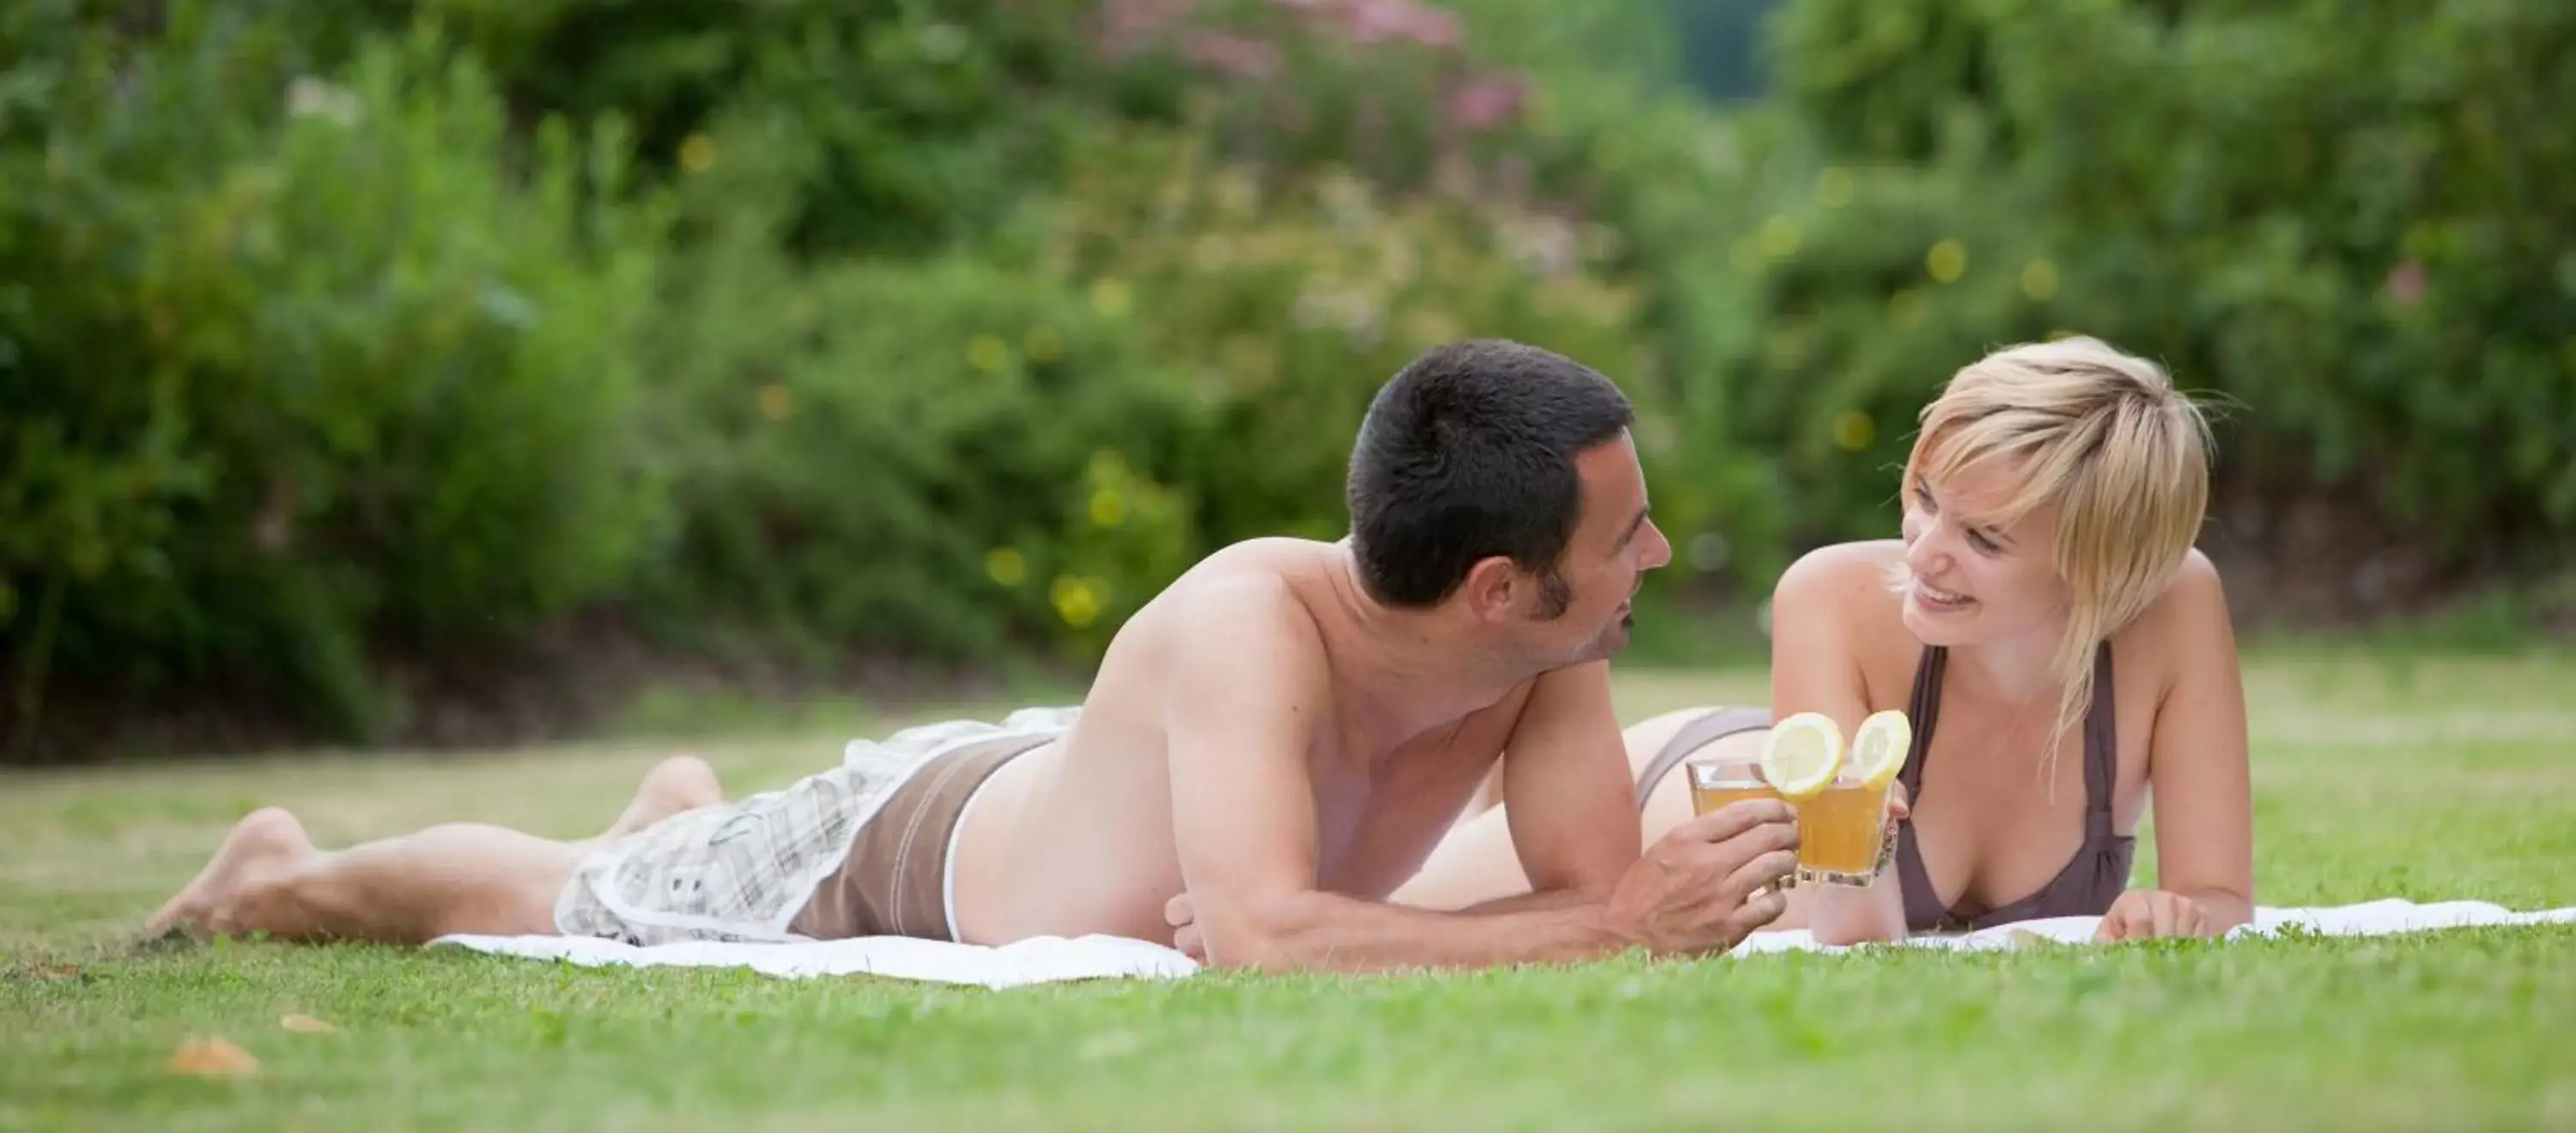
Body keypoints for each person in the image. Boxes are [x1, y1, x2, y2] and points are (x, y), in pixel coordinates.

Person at [149, 339, 1801, 972]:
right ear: (1497, 586)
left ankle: (673, 814)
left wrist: (1584, 917)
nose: (1657, 554)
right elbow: (1276, 943)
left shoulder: (1554, 644)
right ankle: (271, 874)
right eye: (1628, 532)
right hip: (906, 855)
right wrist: (1301, 921)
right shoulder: (1251, 624)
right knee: (550, 897)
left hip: (1058, 789)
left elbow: (1582, 905)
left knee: (635, 862)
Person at [1395, 336, 2254, 945]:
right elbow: (1849, 935)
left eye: (1984, 539)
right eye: (1924, 495)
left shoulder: (2175, 605)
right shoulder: (1832, 594)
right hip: (1667, 788)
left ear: (2104, 568)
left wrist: (2172, 916)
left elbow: (2217, 897)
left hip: (1760, 762)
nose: (1924, 549)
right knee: (1378, 919)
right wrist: (1858, 840)